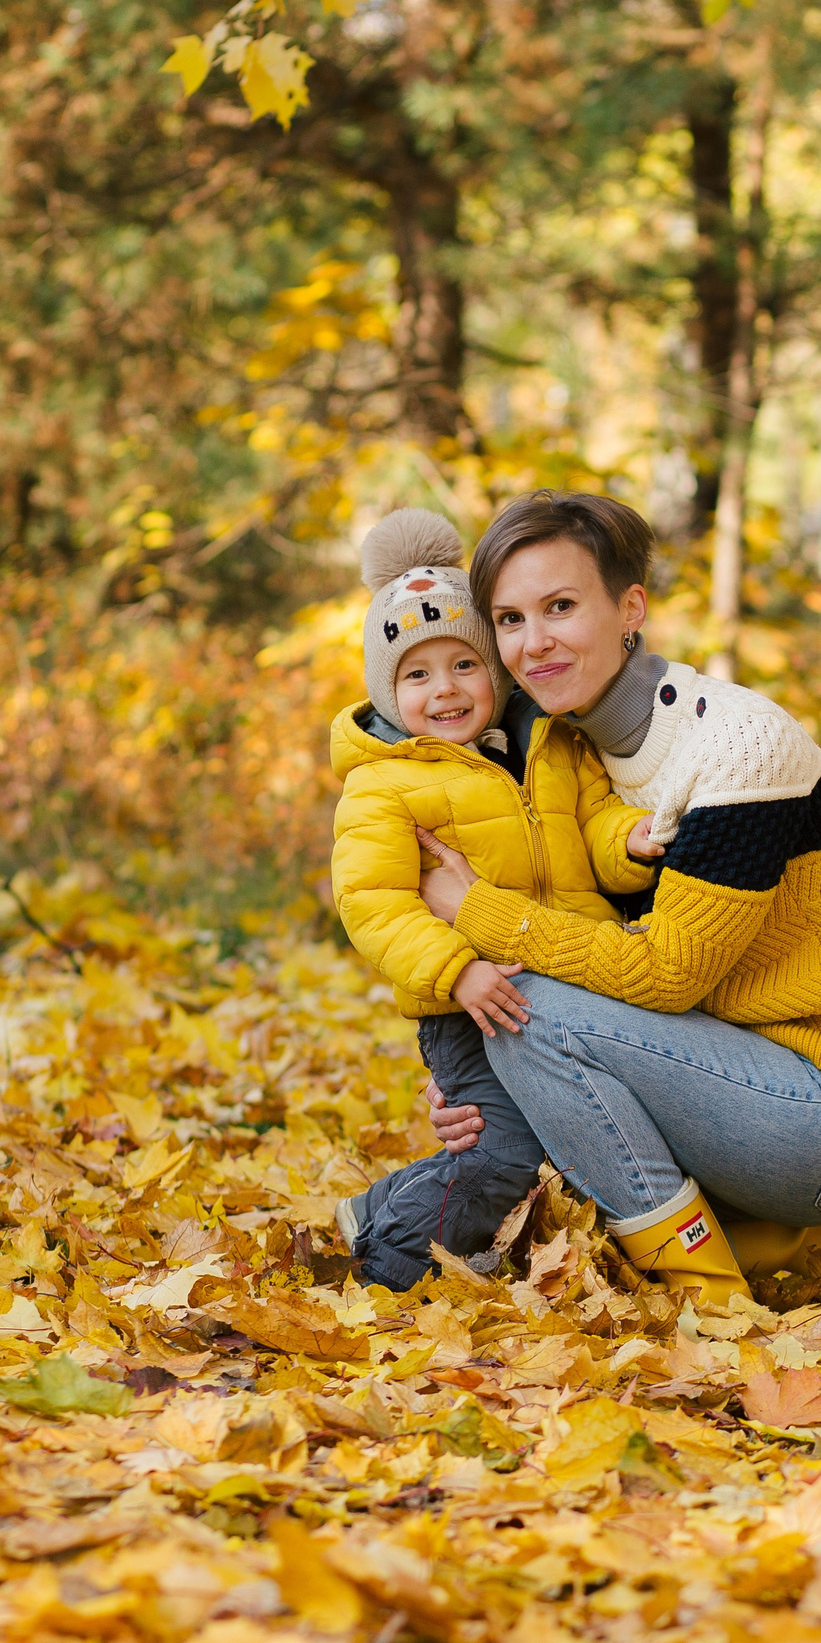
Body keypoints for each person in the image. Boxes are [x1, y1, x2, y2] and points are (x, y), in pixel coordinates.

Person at [414, 490, 821, 1309]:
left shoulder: (735, 748)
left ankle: (706, 1295)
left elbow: (664, 977)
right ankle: (779, 1236)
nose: (533, 641)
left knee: (532, 1009)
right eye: (509, 620)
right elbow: (576, 938)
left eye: (559, 606)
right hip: (738, 1064)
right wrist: (478, 1083)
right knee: (514, 1021)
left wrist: (474, 909)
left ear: (630, 608)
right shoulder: (563, 750)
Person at [326, 509, 664, 1290]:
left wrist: (629, 838)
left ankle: (378, 1207)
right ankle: (391, 1273)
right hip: (469, 1003)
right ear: (387, 689)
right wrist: (456, 971)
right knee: (501, 1155)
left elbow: (592, 822)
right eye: (417, 674)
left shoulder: (547, 745)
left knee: (546, 1139)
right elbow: (373, 904)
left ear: (496, 668)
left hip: (564, 978)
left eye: (464, 665)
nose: (445, 690)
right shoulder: (384, 785)